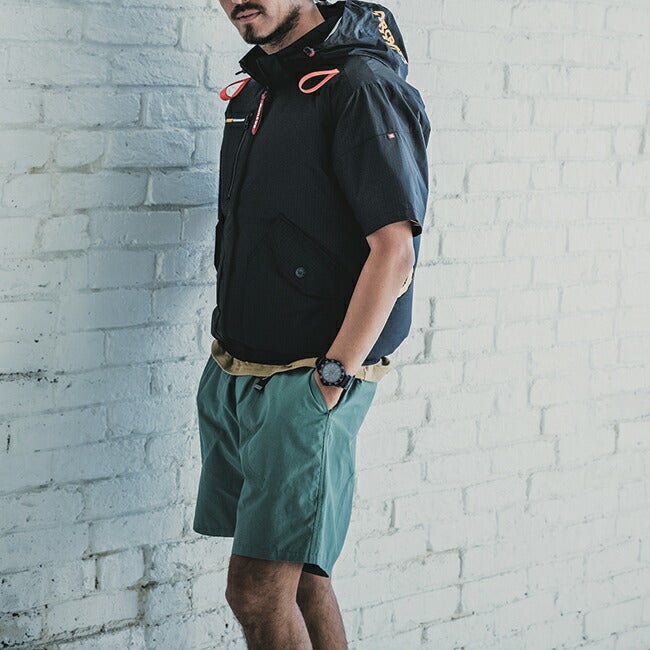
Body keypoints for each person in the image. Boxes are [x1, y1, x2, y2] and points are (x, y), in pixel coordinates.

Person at [192, 0, 430, 647]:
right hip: (240, 368)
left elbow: (394, 251)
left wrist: (330, 378)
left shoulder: (360, 85)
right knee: (302, 579)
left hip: (308, 379)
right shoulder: (259, 90)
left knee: (255, 589)